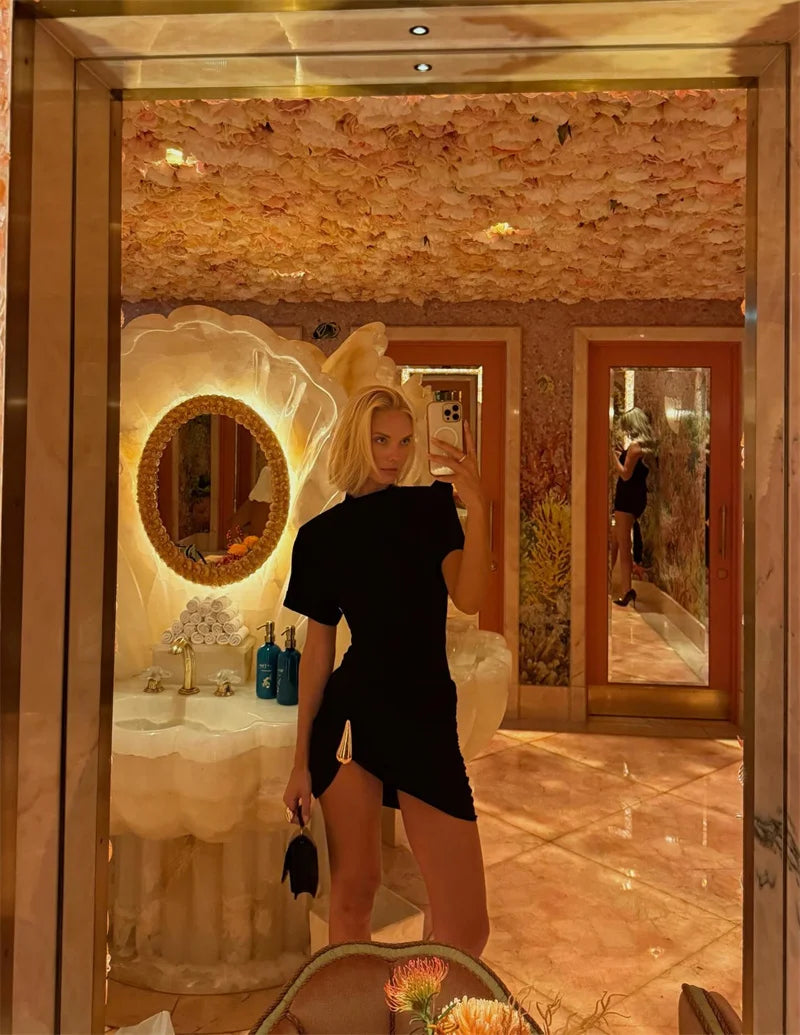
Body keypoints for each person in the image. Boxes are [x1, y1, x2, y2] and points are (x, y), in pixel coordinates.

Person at [282, 385, 491, 957]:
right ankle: (357, 1004)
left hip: (424, 717)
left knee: (466, 927)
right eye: (380, 440)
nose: (394, 455)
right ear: (356, 440)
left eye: (403, 441)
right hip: (352, 723)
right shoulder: (320, 537)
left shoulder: (431, 510)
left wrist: (479, 509)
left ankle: (422, 1005)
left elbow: (470, 597)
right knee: (354, 895)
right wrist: (299, 762)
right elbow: (318, 654)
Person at [610, 407, 654, 608]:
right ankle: (607, 583)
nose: (626, 430)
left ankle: (626, 591)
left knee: (623, 544)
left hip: (627, 499)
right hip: (633, 498)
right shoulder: (641, 448)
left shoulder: (635, 448)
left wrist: (612, 456)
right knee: (615, 541)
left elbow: (625, 474)